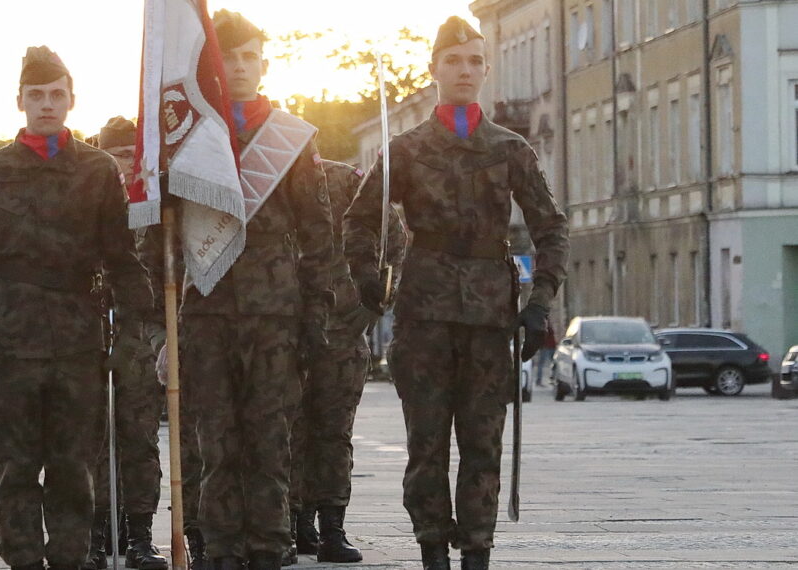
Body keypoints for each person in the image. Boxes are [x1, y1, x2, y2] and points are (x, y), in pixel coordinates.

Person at [0, 46, 159, 570]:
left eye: (56, 95)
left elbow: (122, 260)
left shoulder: (98, 171)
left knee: (74, 467)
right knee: (16, 466)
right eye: (36, 96)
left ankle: (70, 560)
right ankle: (23, 561)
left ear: (71, 101)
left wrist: (132, 336)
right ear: (20, 102)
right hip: (12, 338)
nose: (46, 104)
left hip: (78, 339)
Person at [343, 17, 569, 570]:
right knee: (425, 444)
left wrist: (539, 302)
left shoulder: (509, 147)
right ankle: (431, 552)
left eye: (473, 61)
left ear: (486, 71)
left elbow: (551, 227)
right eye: (452, 61)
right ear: (433, 70)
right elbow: (358, 222)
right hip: (424, 313)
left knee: (483, 443)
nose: (464, 71)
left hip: (491, 314)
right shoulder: (406, 149)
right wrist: (372, 283)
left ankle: (476, 553)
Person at [145, 10, 335, 569]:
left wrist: (317, 318)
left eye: (251, 56)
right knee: (216, 445)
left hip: (275, 317)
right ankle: (223, 551)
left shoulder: (292, 140)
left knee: (272, 444)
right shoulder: (190, 139)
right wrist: (164, 323)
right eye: (231, 58)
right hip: (207, 315)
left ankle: (270, 550)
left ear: (265, 64)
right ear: (215, 68)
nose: (243, 66)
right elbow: (159, 241)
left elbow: (319, 235)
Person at [288, 160, 404, 565]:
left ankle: (331, 527)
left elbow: (395, 243)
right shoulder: (274, 171)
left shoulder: (349, 181)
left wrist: (369, 306)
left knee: (333, 434)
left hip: (342, 330)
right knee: (287, 431)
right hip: (288, 330)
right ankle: (293, 524)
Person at [83, 116, 169, 570]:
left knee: (139, 440)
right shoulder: (84, 202)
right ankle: (95, 537)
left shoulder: (151, 208)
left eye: (127, 156)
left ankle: (140, 536)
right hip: (92, 334)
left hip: (137, 337)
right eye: (112, 156)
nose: (120, 166)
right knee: (92, 440)